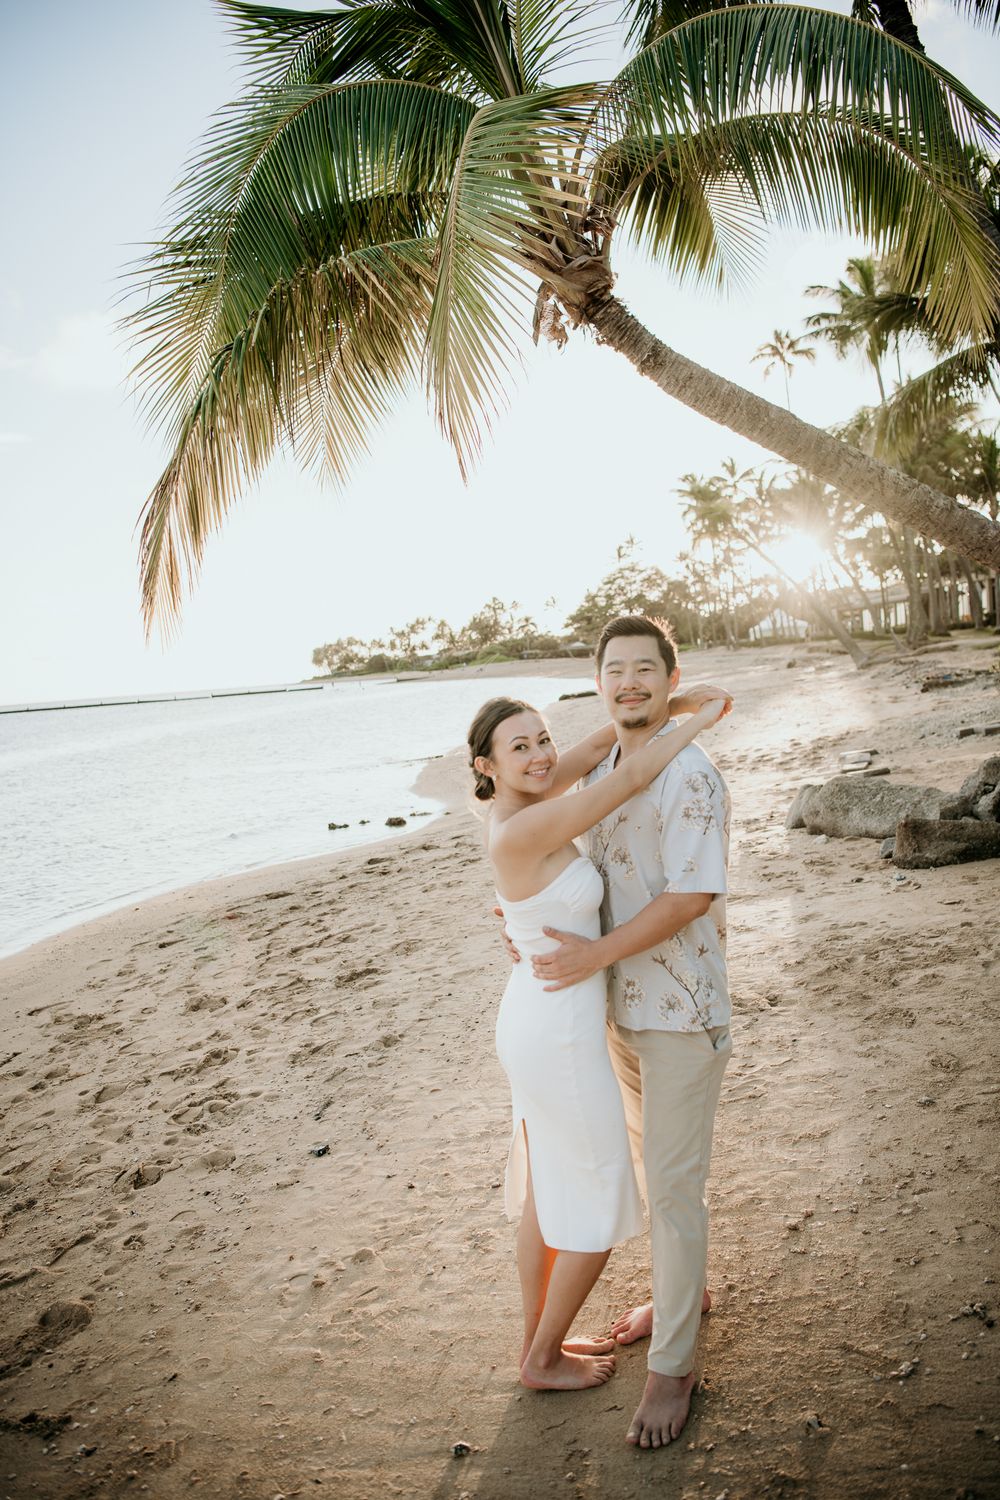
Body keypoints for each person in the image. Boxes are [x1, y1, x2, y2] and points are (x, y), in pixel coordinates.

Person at [468, 680, 728, 1394]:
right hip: (555, 1029)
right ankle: (544, 1358)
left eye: (541, 738)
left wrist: (666, 704)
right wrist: (702, 720)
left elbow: (597, 744)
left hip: (542, 1011)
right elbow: (633, 772)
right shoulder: (524, 826)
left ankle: (535, 1345)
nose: (541, 754)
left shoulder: (533, 802)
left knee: (552, 1187)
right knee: (596, 1190)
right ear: (486, 767)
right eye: (518, 747)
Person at [521, 616, 733, 1449]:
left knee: (676, 1193)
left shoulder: (692, 776)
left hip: (681, 1014)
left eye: (647, 670)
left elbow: (691, 898)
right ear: (599, 682)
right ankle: (688, 1295)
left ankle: (674, 1365)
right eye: (616, 671)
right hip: (618, 1013)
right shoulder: (609, 763)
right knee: (656, 1177)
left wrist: (593, 956)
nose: (630, 683)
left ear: (670, 678)